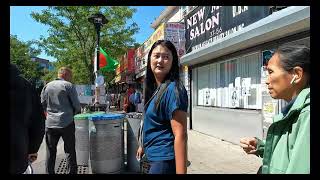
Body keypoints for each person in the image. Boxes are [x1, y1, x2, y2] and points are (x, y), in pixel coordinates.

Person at [240, 44, 310, 174]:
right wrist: (261, 146)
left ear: (297, 74)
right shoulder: (294, 111)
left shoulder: (307, 114)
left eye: (271, 72)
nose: (267, 81)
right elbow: (290, 149)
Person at [136, 40, 188, 174]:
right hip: (151, 157)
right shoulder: (156, 89)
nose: (160, 60)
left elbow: (180, 135)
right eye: (156, 56)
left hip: (163, 161)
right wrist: (143, 146)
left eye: (166, 57)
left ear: (172, 62)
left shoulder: (174, 89)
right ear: (149, 60)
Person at [41, 67, 81, 174]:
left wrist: (49, 114)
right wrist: (75, 113)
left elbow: (43, 103)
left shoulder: (47, 86)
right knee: (70, 150)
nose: (71, 78)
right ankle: (72, 172)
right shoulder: (68, 85)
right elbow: (76, 105)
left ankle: (49, 172)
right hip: (66, 122)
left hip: (50, 124)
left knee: (50, 151)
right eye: (70, 76)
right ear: (66, 75)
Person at [10, 64, 45, 174]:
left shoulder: (44, 87)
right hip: (16, 152)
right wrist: (33, 149)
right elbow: (37, 121)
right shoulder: (24, 85)